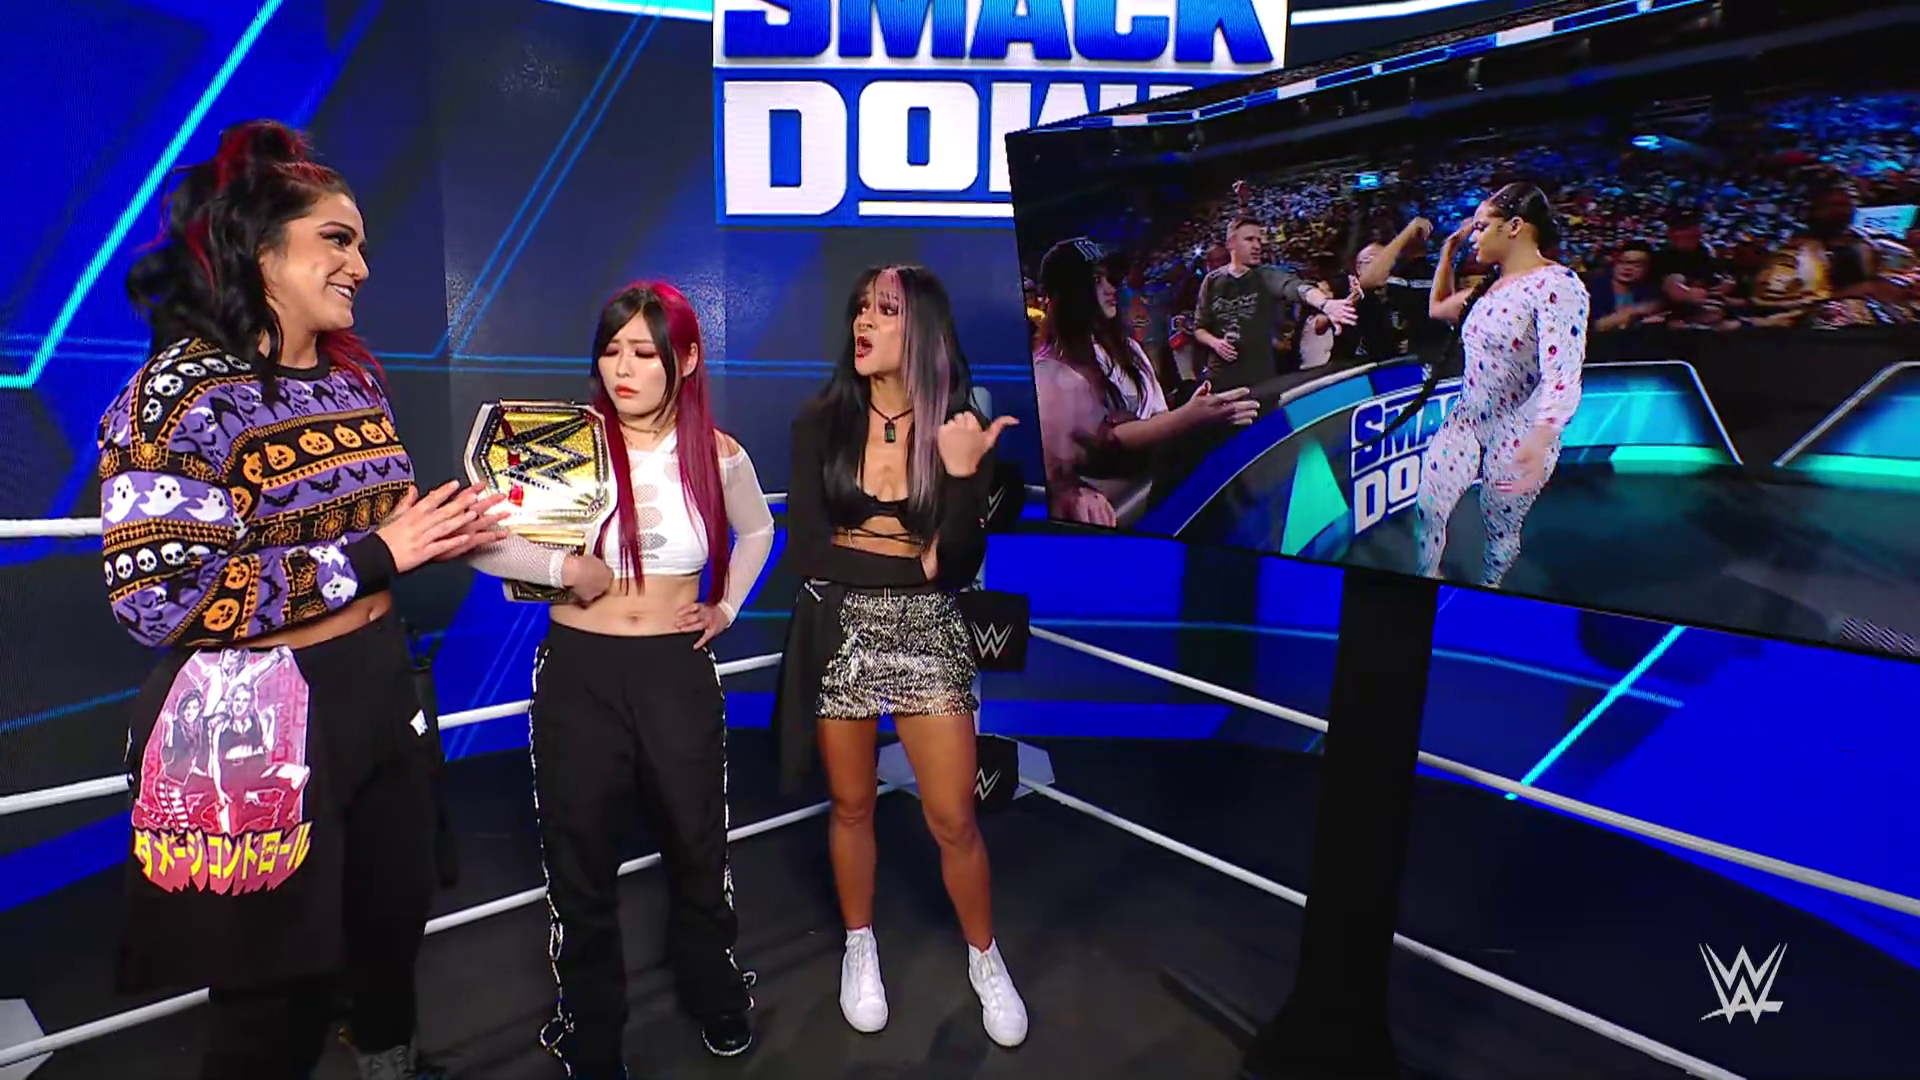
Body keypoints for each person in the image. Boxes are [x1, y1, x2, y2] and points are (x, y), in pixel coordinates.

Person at [98, 119, 504, 1080]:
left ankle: (390, 1065)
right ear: (260, 250)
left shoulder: (353, 377)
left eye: (360, 242)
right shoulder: (179, 396)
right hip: (263, 719)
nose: (361, 264)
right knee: (273, 991)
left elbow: (376, 528)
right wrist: (375, 554)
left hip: (381, 688)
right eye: (336, 239)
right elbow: (158, 599)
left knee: (391, 927)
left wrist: (447, 527)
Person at [466, 282, 775, 1076]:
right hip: (580, 672)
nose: (623, 369)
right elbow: (482, 543)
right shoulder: (562, 443)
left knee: (698, 847)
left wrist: (726, 606)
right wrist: (563, 568)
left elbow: (758, 529)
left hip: (675, 669)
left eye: (644, 352)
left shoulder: (719, 453)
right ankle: (592, 1029)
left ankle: (715, 994)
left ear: (687, 359)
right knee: (579, 860)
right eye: (611, 351)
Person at [770, 265, 1028, 1048]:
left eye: (884, 310)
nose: (864, 322)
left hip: (927, 631)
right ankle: (860, 946)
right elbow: (808, 550)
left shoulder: (959, 427)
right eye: (860, 309)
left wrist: (961, 477)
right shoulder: (820, 421)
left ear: (921, 329)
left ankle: (985, 957)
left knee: (953, 818)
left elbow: (957, 564)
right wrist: (910, 560)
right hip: (840, 628)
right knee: (851, 805)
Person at [1412, 182, 1589, 588]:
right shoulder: (1489, 287)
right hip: (1466, 420)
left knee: (1499, 528)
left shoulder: (1557, 285)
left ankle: (1488, 588)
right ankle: (1426, 579)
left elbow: (1563, 373)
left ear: (1514, 226)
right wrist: (1448, 251)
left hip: (1518, 430)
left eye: (1480, 226)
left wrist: (1541, 438)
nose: (1473, 236)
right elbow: (1437, 309)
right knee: (1429, 506)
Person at [1031, 237, 1256, 527]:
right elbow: (1096, 442)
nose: (1111, 288)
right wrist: (1067, 488)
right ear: (1071, 293)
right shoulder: (1050, 368)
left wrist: (1192, 412)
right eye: (1096, 280)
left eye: (1112, 277)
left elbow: (1155, 417)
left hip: (1162, 488)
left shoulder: (1128, 348)